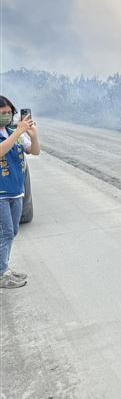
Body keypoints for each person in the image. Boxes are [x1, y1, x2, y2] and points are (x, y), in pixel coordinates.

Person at [0, 96, 40, 289]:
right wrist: (18, 132)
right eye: (3, 113)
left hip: (16, 192)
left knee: (12, 231)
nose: (7, 116)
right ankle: (1, 274)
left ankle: (4, 268)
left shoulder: (13, 132)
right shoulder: (13, 134)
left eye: (9, 113)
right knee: (5, 232)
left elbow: (35, 151)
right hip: (1, 194)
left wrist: (33, 135)